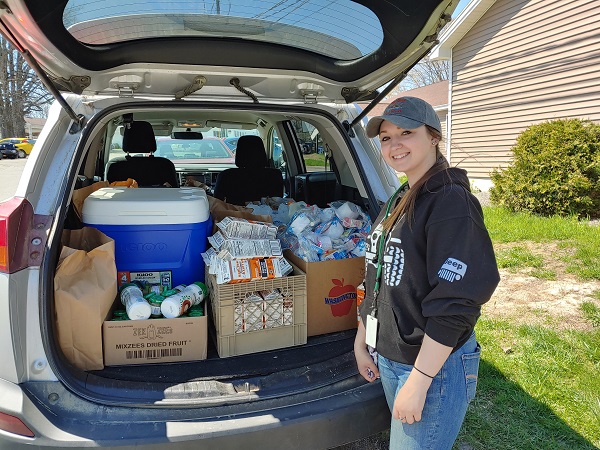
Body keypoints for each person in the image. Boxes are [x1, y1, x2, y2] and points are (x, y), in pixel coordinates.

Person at [354, 96, 500, 450]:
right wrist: (363, 340)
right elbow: (379, 275)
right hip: (394, 357)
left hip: (432, 368)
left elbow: (458, 301)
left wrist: (419, 381)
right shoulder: (404, 194)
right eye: (386, 137)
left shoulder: (450, 201)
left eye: (406, 132)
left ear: (434, 136)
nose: (394, 144)